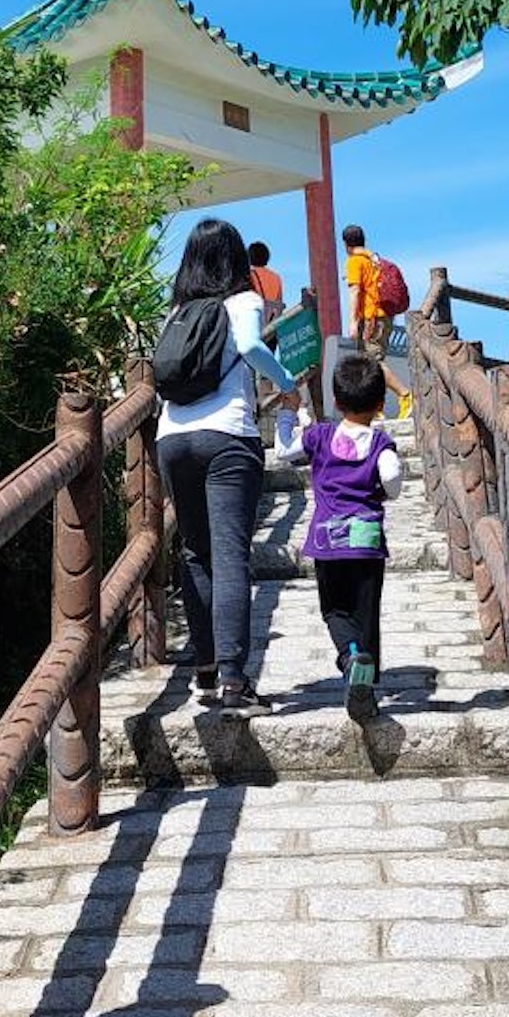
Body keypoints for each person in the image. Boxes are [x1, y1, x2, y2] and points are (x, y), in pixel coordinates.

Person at [154, 217, 300, 716]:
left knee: (195, 554)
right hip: (227, 438)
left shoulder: (175, 312)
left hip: (171, 439)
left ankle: (206, 672)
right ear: (236, 259)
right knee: (231, 555)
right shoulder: (243, 301)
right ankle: (237, 684)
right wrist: (287, 381)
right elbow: (252, 347)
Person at [299, 353, 401, 721]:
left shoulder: (320, 436)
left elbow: (285, 450)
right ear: (379, 403)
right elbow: (392, 483)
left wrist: (287, 416)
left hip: (327, 542)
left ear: (337, 402)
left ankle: (350, 653)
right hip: (366, 541)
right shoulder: (380, 443)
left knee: (336, 610)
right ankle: (367, 683)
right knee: (366, 611)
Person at [343, 222, 391, 359]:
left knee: (373, 364)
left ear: (346, 244)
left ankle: (394, 382)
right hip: (385, 317)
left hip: (370, 319)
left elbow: (355, 291)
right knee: (372, 362)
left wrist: (352, 322)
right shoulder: (374, 260)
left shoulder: (355, 261)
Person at [246, 240, 284, 328]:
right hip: (271, 326)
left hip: (255, 325)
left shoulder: (248, 275)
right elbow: (279, 303)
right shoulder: (276, 277)